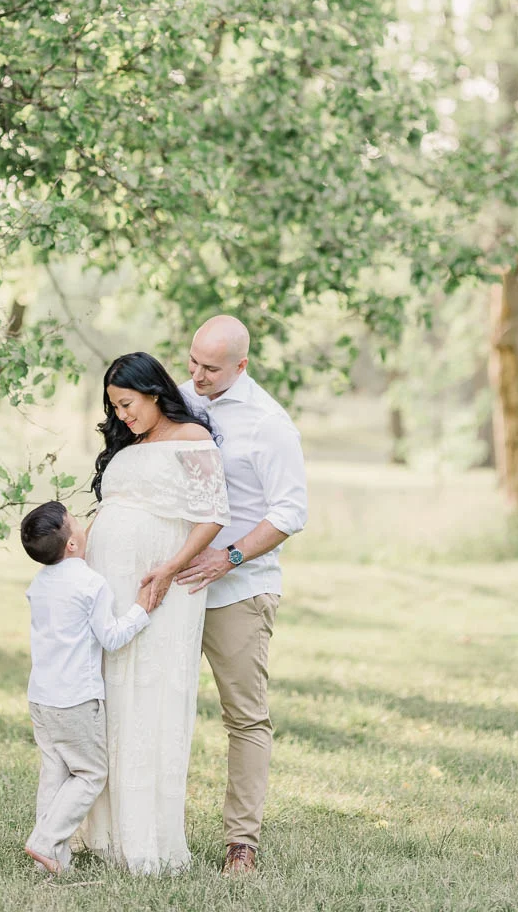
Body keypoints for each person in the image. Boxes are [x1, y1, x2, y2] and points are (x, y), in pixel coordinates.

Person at [81, 352, 229, 874]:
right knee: (111, 695)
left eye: (127, 404)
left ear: (153, 392)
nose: (122, 416)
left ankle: (147, 837)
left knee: (150, 696)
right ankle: (101, 831)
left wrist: (168, 569)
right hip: (110, 590)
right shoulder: (133, 444)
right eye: (114, 407)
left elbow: (213, 515)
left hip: (161, 589)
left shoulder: (192, 439)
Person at [177, 314, 308, 878]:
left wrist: (227, 557)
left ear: (241, 366)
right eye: (193, 361)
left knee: (245, 718)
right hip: (175, 583)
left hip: (239, 590)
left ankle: (241, 844)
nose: (197, 374)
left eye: (211, 368)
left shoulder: (269, 424)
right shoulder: (179, 399)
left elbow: (290, 512)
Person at [20, 501, 158, 876]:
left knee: (55, 773)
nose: (82, 526)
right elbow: (111, 638)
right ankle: (45, 841)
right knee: (90, 774)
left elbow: (71, 553)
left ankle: (51, 862)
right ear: (72, 545)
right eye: (76, 523)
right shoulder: (90, 584)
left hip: (42, 697)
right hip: (75, 699)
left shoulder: (40, 583)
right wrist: (141, 610)